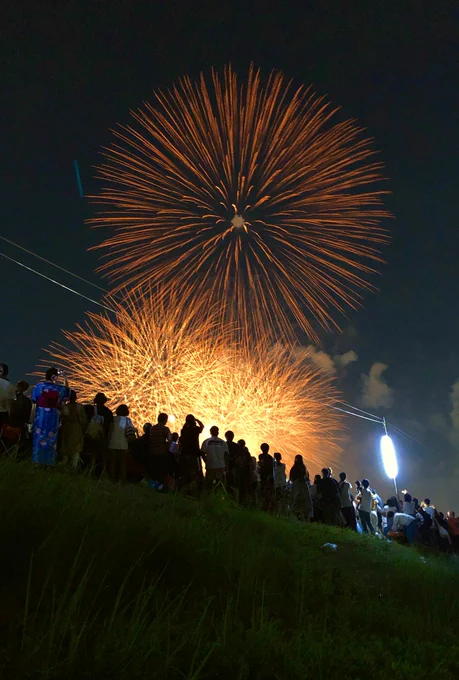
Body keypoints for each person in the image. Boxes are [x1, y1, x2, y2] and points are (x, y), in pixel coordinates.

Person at [31, 368, 71, 466]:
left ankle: (36, 460)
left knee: (38, 438)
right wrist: (65, 377)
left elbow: (34, 399)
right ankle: (49, 462)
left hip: (40, 416)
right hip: (53, 417)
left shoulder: (39, 387)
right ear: (54, 377)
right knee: (51, 439)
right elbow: (67, 393)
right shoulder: (58, 388)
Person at [84, 393, 114, 472]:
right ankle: (103, 474)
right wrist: (109, 438)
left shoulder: (90, 409)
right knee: (103, 457)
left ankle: (91, 472)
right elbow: (111, 427)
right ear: (104, 401)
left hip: (92, 435)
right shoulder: (108, 412)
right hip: (103, 436)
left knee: (92, 455)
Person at [60, 390, 88, 468]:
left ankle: (65, 465)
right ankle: (73, 467)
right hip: (76, 429)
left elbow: (62, 418)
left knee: (65, 447)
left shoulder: (65, 407)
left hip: (66, 428)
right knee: (76, 449)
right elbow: (83, 420)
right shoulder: (79, 407)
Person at [108, 404, 134, 482]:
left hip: (112, 444)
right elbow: (130, 432)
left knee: (112, 463)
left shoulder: (113, 419)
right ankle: (121, 480)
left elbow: (110, 431)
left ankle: (111, 479)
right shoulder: (127, 420)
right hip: (123, 445)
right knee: (122, 464)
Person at [179, 414, 204, 490]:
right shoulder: (196, 429)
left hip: (185, 453)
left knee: (186, 471)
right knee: (196, 471)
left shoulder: (183, 430)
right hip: (195, 453)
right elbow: (202, 426)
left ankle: (185, 488)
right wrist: (197, 420)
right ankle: (196, 488)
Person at [149, 413, 172, 485]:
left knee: (154, 470)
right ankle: (160, 486)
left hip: (152, 452)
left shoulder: (152, 428)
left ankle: (152, 486)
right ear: (165, 420)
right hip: (162, 452)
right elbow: (169, 440)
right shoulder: (165, 429)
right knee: (161, 471)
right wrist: (167, 447)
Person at [289, 455, 312, 521]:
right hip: (301, 487)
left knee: (298, 504)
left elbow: (291, 478)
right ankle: (304, 519)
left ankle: (302, 519)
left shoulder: (298, 468)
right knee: (302, 505)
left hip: (299, 487)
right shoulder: (303, 468)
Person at [258, 443, 274, 511]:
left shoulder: (266, 457)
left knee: (265, 492)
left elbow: (268, 468)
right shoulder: (269, 457)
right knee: (265, 492)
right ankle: (265, 506)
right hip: (265, 476)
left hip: (266, 476)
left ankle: (265, 506)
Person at [235, 439, 251, 505]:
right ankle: (243, 503)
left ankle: (239, 503)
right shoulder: (247, 453)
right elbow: (249, 463)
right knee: (244, 490)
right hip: (245, 474)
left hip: (239, 474)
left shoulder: (237, 452)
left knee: (238, 489)